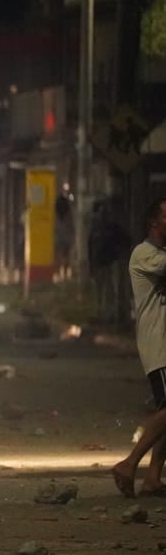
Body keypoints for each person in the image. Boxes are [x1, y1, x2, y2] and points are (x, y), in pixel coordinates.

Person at [113, 196, 166, 497]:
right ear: (154, 222)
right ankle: (129, 463)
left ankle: (153, 477)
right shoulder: (144, 254)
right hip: (159, 346)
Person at [88, 197, 132, 324]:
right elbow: (90, 248)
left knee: (111, 291)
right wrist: (91, 265)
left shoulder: (113, 228)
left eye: (104, 214)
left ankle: (112, 314)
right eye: (100, 213)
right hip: (99, 265)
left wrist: (119, 253)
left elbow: (127, 241)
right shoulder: (95, 229)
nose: (102, 216)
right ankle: (100, 313)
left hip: (111, 264)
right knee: (99, 291)